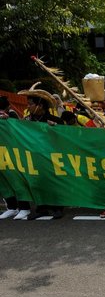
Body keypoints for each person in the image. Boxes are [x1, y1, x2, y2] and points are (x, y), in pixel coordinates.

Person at [17, 84, 64, 219]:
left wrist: (56, 129)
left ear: (40, 105)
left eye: (30, 104)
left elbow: (65, 138)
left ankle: (57, 207)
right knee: (37, 182)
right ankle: (41, 208)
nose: (28, 107)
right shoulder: (27, 121)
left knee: (53, 181)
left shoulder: (55, 121)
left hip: (51, 157)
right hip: (34, 157)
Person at [0, 96, 31, 220]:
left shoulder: (11, 116)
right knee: (3, 182)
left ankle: (25, 208)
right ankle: (12, 207)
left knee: (17, 179)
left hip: (12, 154)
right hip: (2, 155)